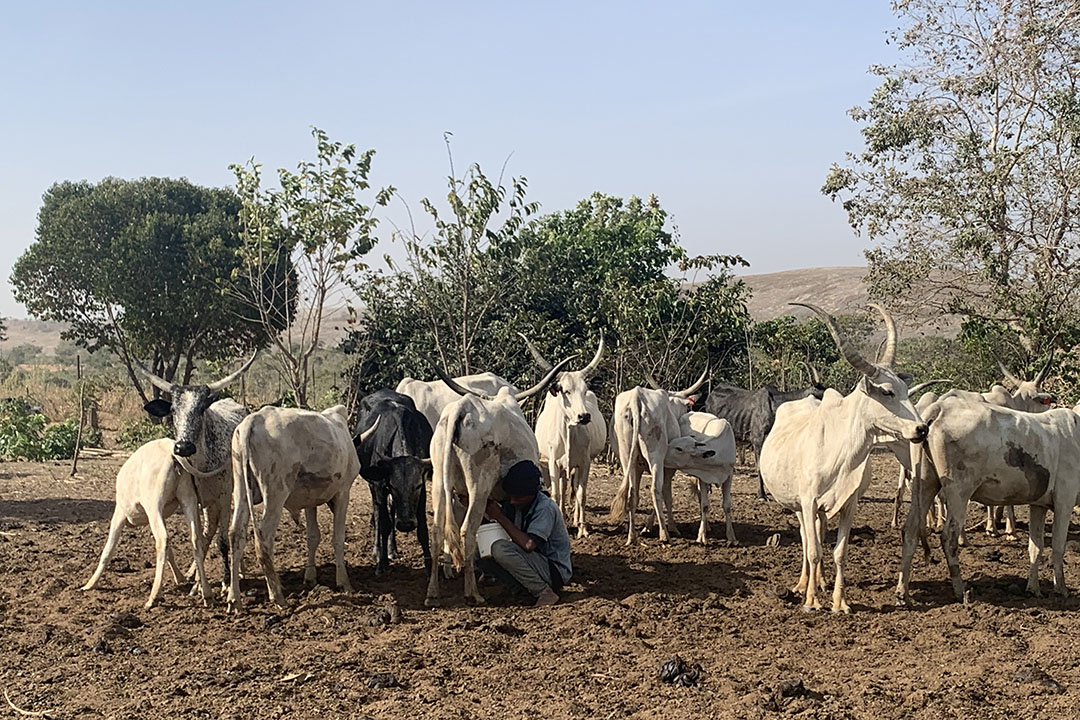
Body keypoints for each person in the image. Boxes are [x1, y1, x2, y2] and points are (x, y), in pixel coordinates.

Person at [478, 460, 572, 606]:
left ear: (532, 493)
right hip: (533, 563)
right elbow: (497, 530)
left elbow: (529, 545)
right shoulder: (518, 505)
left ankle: (544, 592)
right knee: (480, 551)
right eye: (512, 496)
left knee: (500, 549)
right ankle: (521, 590)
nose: (514, 501)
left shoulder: (545, 508)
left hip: (553, 570)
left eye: (518, 497)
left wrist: (499, 516)